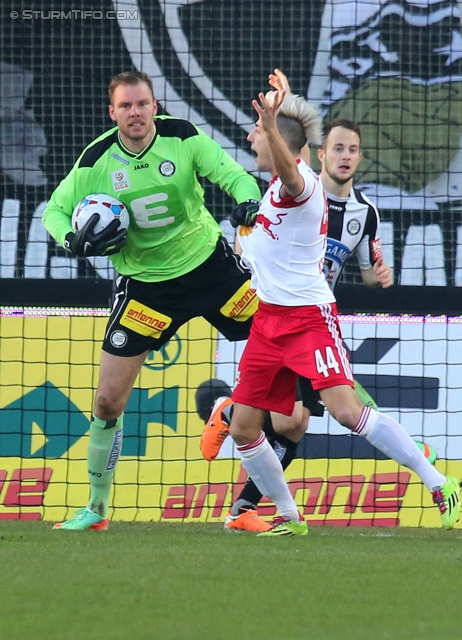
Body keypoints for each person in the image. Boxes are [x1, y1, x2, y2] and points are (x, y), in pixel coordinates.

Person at [199, 71, 436, 533]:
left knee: (345, 414)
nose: (250, 139)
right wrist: (243, 225)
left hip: (309, 320)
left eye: (256, 134)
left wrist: (270, 122)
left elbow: (291, 167)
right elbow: (259, 235)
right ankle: (285, 517)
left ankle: (436, 482)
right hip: (268, 322)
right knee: (252, 429)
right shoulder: (270, 191)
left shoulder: (301, 186)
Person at [42, 70, 267, 531]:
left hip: (212, 271)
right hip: (146, 290)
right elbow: (54, 211)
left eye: (142, 104)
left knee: (284, 344)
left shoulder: (182, 136)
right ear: (113, 113)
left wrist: (248, 201)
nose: (136, 113)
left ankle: (231, 413)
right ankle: (97, 510)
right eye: (126, 106)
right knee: (107, 401)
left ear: (154, 105)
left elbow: (235, 175)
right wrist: (71, 239)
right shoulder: (96, 160)